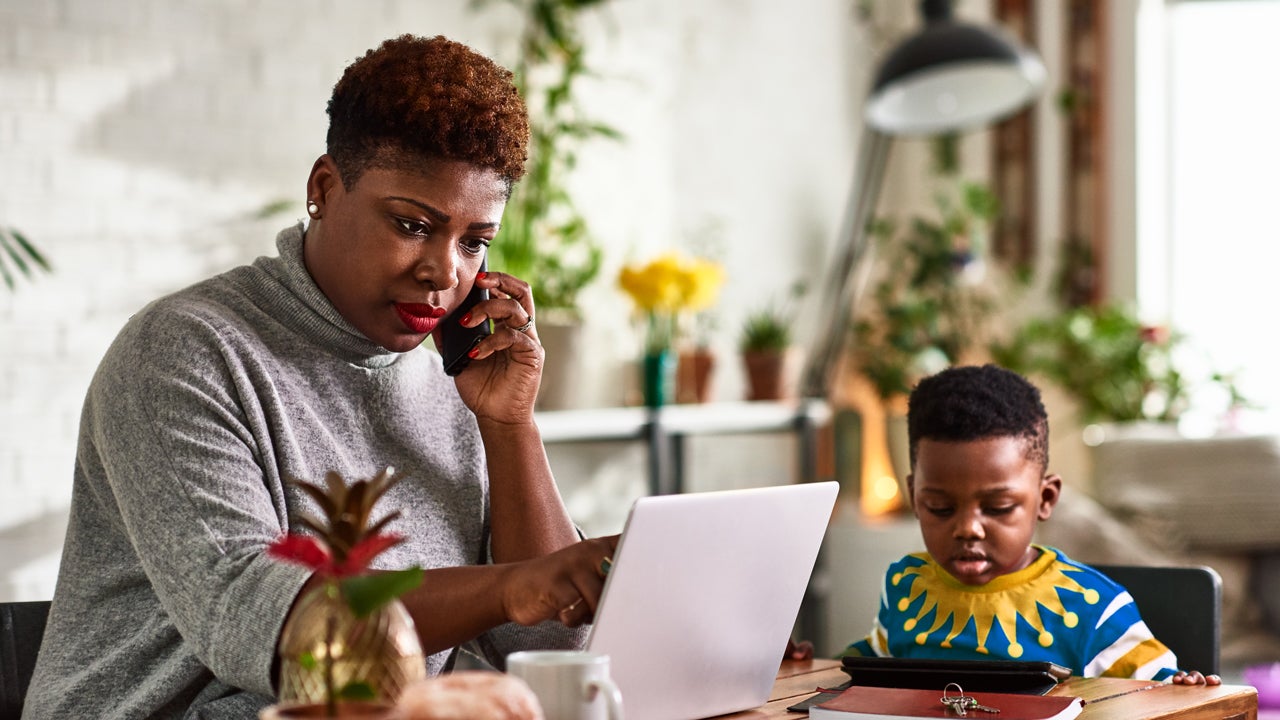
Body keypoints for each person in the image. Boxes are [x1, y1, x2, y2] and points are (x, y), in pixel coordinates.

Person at [24, 34, 616, 720]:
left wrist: (509, 427)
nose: (444, 272)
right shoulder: (184, 352)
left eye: (474, 241)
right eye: (412, 225)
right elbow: (257, 620)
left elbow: (546, 645)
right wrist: (513, 586)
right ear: (324, 189)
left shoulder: (451, 386)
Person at [842, 364, 1220, 686]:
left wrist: (1181, 685)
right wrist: (817, 661)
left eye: (998, 507)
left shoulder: (1092, 607)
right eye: (940, 508)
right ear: (914, 496)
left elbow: (1158, 690)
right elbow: (872, 660)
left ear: (1046, 499)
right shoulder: (906, 584)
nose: (968, 528)